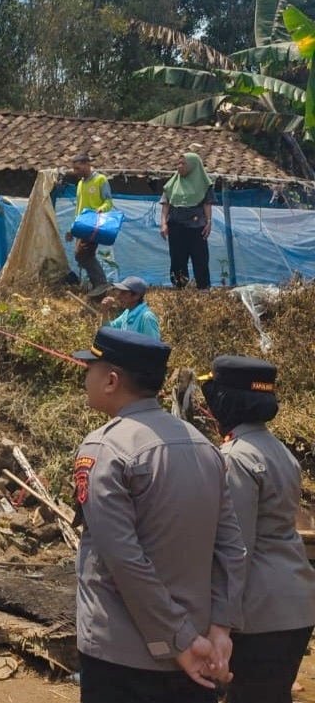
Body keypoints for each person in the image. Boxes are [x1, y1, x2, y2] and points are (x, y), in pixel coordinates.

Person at [70, 327, 247, 702]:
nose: (85, 376)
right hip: (199, 651)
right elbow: (231, 546)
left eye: (90, 368)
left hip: (124, 654)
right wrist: (219, 628)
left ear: (111, 380)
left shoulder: (106, 447)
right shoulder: (205, 446)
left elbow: (124, 559)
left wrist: (179, 639)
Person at [204, 356, 315, 703]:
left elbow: (236, 548)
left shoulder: (237, 457)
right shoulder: (279, 451)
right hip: (295, 602)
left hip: (258, 612)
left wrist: (220, 622)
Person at [159, 151, 214, 289]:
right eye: (178, 163)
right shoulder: (171, 184)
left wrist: (208, 222)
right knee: (177, 260)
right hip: (176, 227)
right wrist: (164, 224)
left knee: (200, 260)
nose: (179, 166)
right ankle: (181, 289)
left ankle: (203, 290)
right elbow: (166, 205)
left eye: (183, 163)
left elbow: (207, 204)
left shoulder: (204, 184)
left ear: (193, 165)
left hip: (197, 228)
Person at [66, 154, 114, 297]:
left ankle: (101, 283)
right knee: (82, 255)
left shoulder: (100, 180)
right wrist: (72, 228)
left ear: (87, 164)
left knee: (82, 253)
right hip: (82, 224)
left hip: (94, 224)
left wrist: (100, 209)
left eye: (78, 168)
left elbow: (108, 201)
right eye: (74, 169)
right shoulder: (80, 184)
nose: (76, 172)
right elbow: (78, 209)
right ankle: (98, 290)